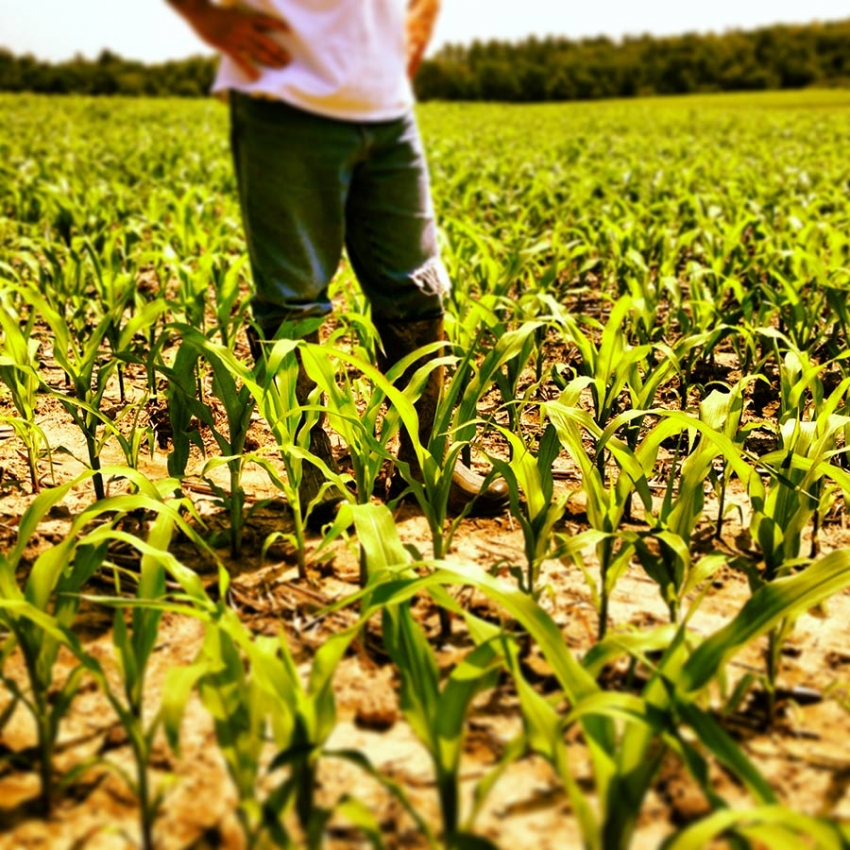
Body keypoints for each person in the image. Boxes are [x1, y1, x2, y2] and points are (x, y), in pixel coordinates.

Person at [167, 0, 508, 525]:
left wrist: (424, 15)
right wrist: (206, 16)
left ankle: (426, 464)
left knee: (419, 291)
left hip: (387, 106)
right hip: (285, 98)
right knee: (293, 302)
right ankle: (314, 476)